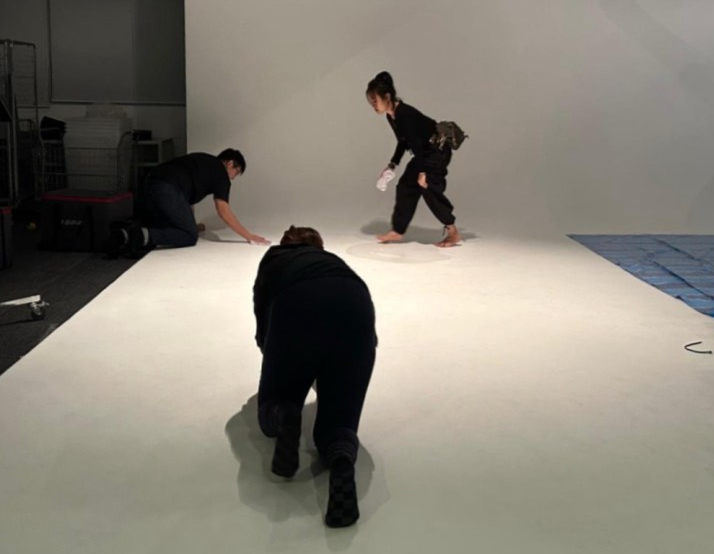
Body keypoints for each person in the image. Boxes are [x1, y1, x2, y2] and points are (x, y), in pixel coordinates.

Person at [253, 225, 376, 528]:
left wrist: (282, 369)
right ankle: (341, 460)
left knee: (274, 404)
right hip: (357, 304)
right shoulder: (332, 261)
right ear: (318, 246)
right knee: (339, 422)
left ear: (286, 244)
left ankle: (284, 414)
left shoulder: (274, 258)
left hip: (296, 303)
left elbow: (262, 322)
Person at [108, 148, 269, 256]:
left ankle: (124, 234)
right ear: (230, 163)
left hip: (150, 183)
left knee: (170, 228)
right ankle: (138, 235)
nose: (233, 177)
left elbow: (184, 199)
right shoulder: (221, 173)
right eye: (236, 172)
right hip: (167, 188)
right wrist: (249, 236)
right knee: (189, 236)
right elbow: (223, 211)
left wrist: (191, 223)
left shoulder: (203, 159)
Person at [366, 71, 462, 247]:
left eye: (375, 101)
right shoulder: (391, 115)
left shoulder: (404, 113)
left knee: (427, 188)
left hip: (437, 151)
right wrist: (392, 165)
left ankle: (453, 232)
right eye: (371, 102)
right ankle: (397, 230)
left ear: (387, 97)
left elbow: (416, 144)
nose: (373, 106)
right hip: (424, 152)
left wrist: (423, 172)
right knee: (405, 186)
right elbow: (403, 141)